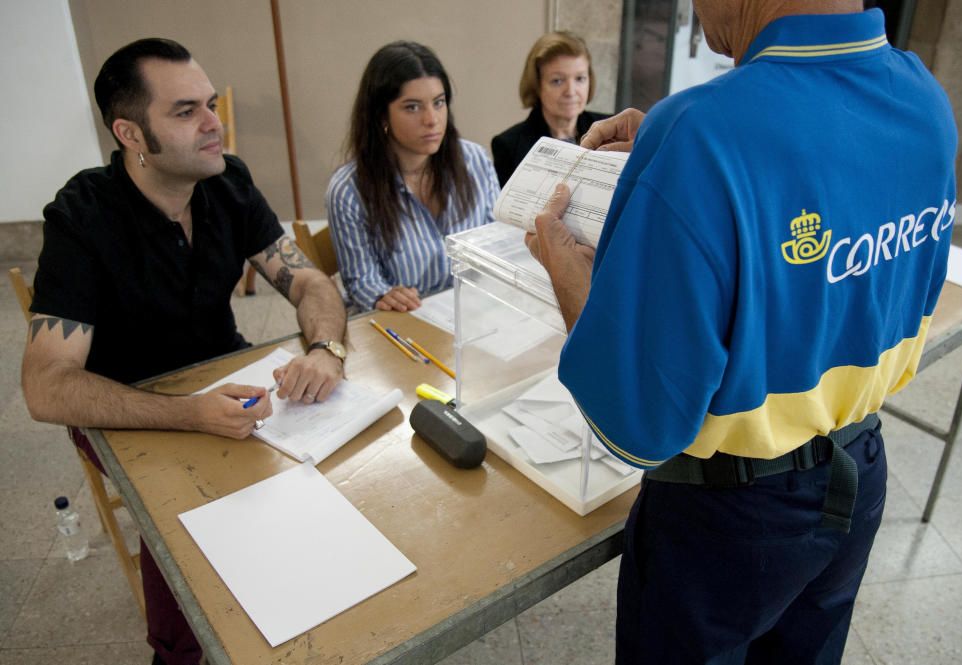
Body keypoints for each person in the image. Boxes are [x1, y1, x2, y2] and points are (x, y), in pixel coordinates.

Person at [527, 2, 956, 663]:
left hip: (725, 519)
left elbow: (635, 420)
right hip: (858, 471)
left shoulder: (701, 131)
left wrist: (569, 277)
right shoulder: (925, 98)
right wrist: (671, 158)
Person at [21, 38, 348, 665]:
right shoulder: (81, 215)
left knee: (330, 468)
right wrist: (189, 412)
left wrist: (327, 349)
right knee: (188, 535)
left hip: (227, 371)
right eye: (185, 111)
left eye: (209, 102)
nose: (212, 123)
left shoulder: (227, 180)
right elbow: (48, 387)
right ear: (130, 133)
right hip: (123, 405)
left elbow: (307, 280)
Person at [326, 41, 499, 313]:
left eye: (438, 103)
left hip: (474, 313)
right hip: (404, 323)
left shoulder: (474, 160)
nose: (432, 120)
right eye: (412, 107)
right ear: (381, 115)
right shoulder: (349, 190)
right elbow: (362, 280)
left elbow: (497, 244)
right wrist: (383, 295)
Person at [491, 31, 609, 187]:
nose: (571, 92)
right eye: (558, 81)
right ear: (537, 85)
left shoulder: (610, 130)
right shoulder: (509, 145)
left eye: (580, 79)